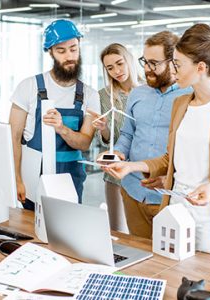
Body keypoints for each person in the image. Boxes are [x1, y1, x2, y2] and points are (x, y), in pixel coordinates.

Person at [104, 24, 210, 260]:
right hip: (176, 211)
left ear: (201, 67)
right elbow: (169, 157)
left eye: (178, 64)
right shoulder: (181, 105)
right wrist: (132, 166)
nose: (174, 71)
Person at [100, 32, 192, 239]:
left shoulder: (190, 96)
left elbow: (194, 150)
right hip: (133, 191)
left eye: (154, 63)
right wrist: (118, 154)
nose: (147, 69)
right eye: (144, 61)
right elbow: (127, 134)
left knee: (169, 263)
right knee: (140, 258)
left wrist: (171, 178)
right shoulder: (138, 94)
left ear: (173, 62)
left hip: (170, 196)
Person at [9, 19, 100, 210]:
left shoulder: (90, 95)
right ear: (50, 52)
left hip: (71, 181)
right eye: (61, 50)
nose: (69, 56)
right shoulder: (28, 87)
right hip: (33, 180)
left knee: (68, 234)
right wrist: (17, 179)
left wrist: (61, 128)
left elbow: (84, 143)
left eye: (73, 49)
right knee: (31, 234)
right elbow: (13, 139)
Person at [88, 43, 139, 233]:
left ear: (129, 60)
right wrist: (104, 128)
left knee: (144, 234)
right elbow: (109, 140)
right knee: (118, 231)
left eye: (120, 64)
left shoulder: (147, 91)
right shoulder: (103, 96)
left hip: (143, 172)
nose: (116, 71)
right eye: (110, 68)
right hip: (116, 175)